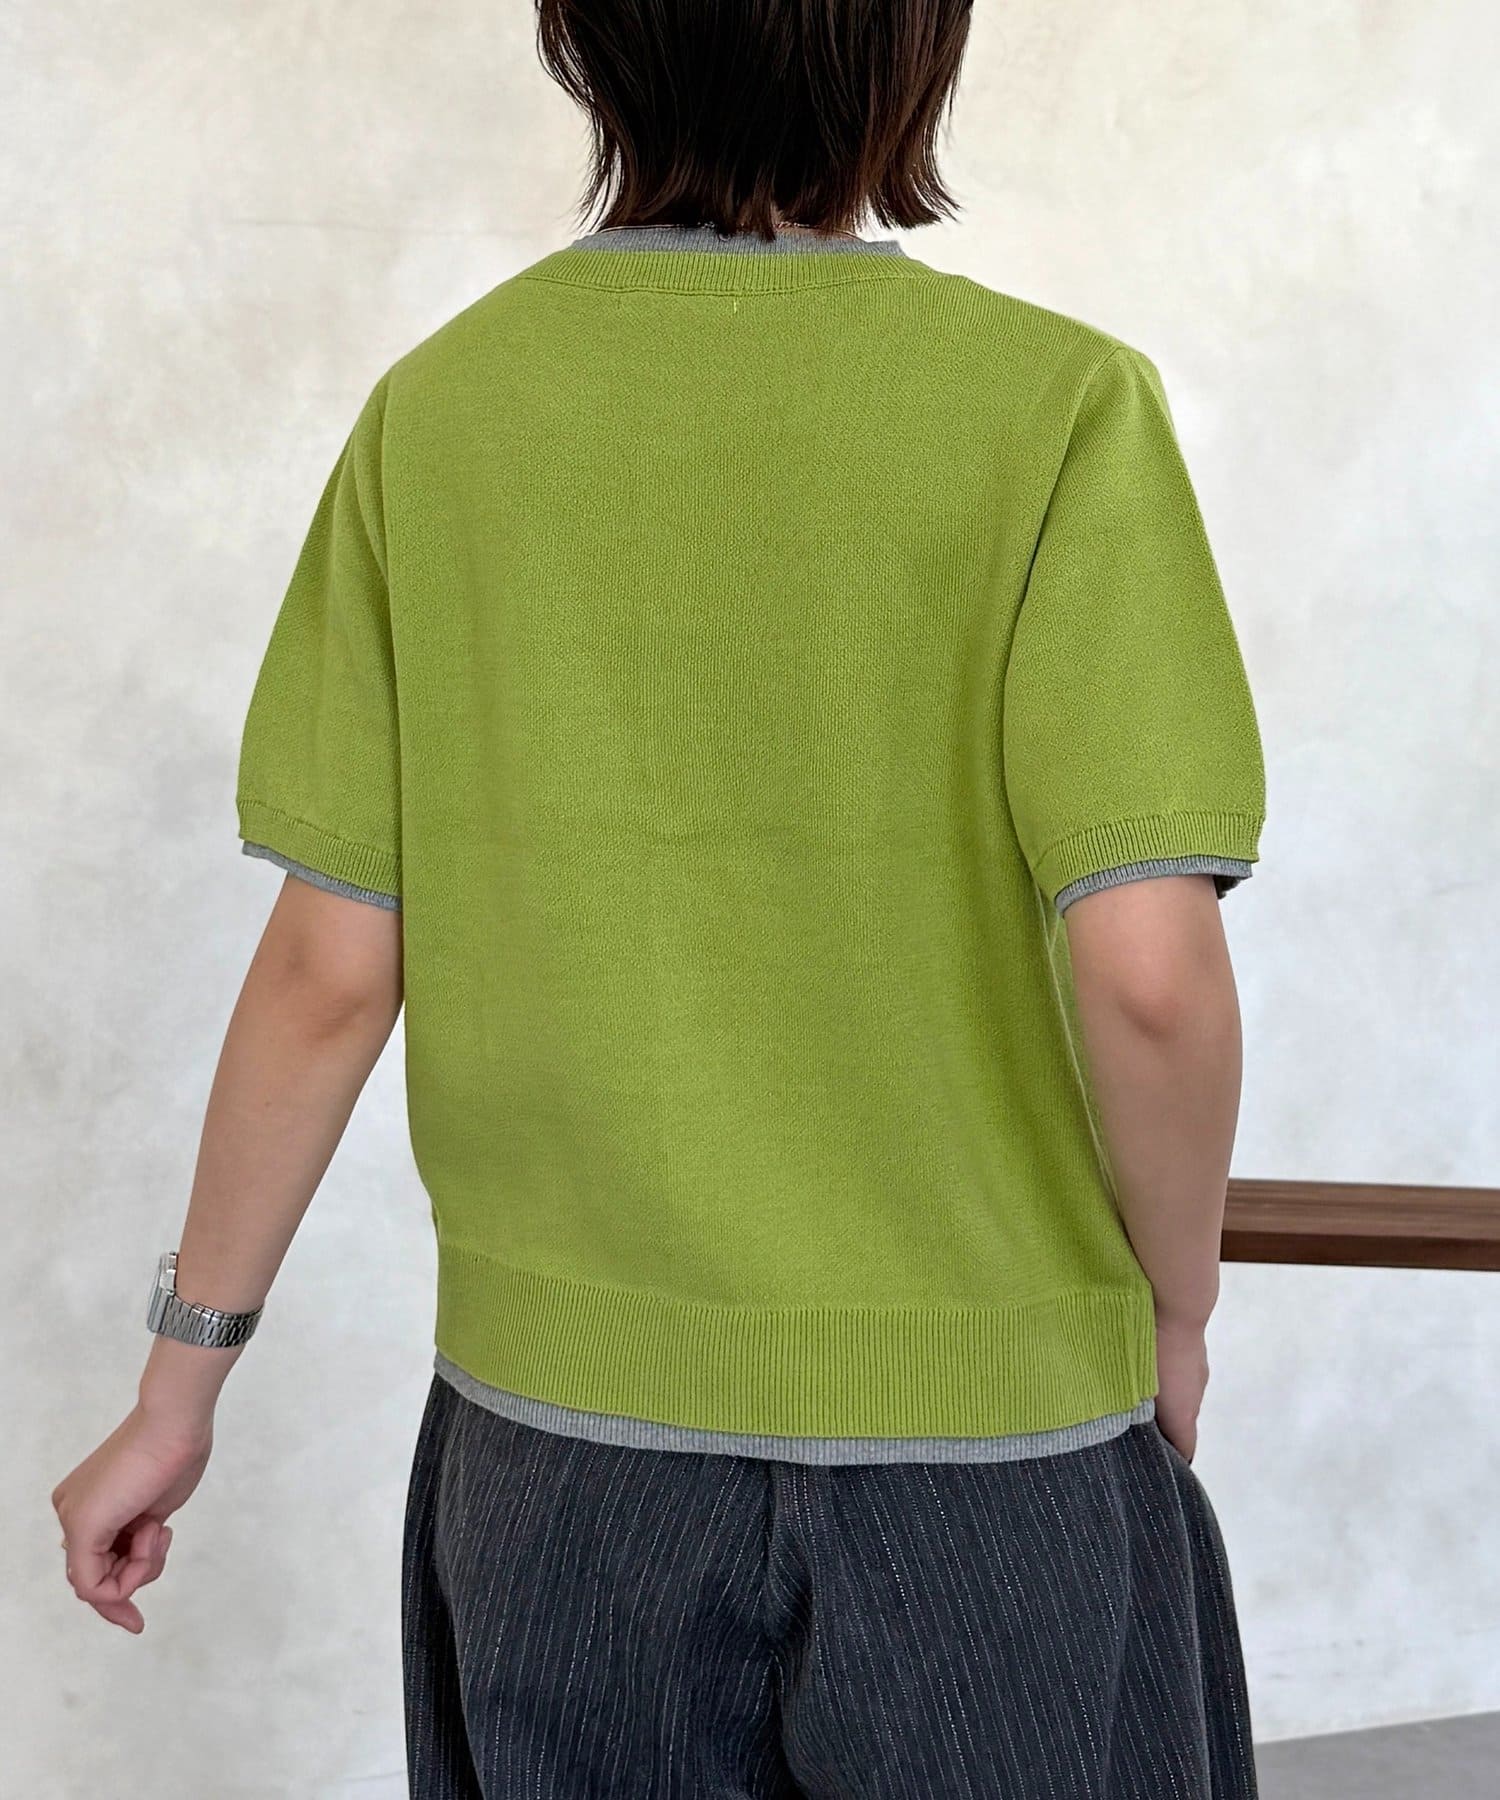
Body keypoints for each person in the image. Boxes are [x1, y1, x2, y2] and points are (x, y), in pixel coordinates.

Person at [50, 1, 1267, 1793]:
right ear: (914, 50)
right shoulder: (1064, 408)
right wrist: (1174, 1311)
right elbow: (1150, 973)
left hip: (564, 1468)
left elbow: (326, 971)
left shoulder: (441, 414)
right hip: (994, 1456)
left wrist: (181, 1390)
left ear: (588, 45)